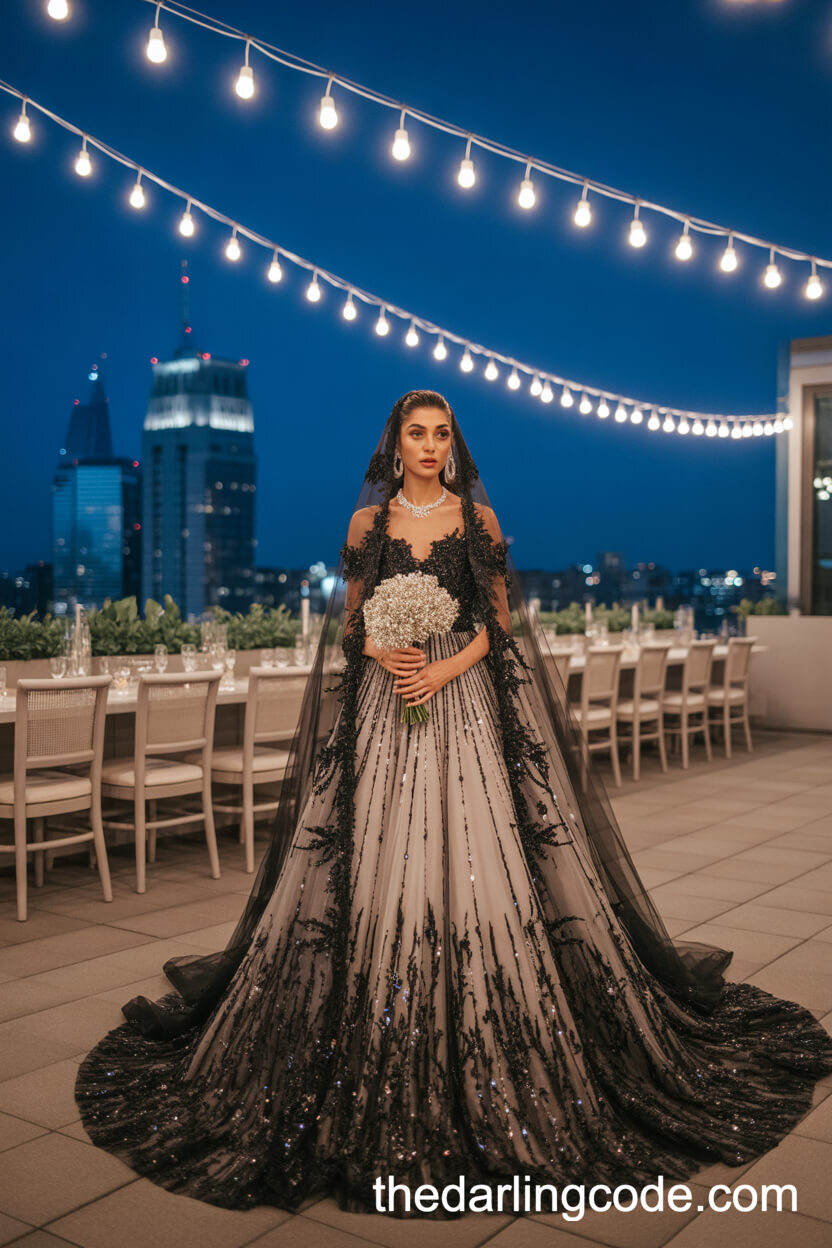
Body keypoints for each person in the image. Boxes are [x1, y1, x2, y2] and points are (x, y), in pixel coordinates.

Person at [75, 389, 832, 1218]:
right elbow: (352, 623)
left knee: (480, 854)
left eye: (441, 434)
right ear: (394, 443)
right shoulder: (368, 529)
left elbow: (500, 623)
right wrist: (384, 647)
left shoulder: (480, 519)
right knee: (369, 860)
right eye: (416, 433)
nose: (429, 445)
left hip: (461, 698)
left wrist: (444, 667)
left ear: (452, 445)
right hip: (384, 700)